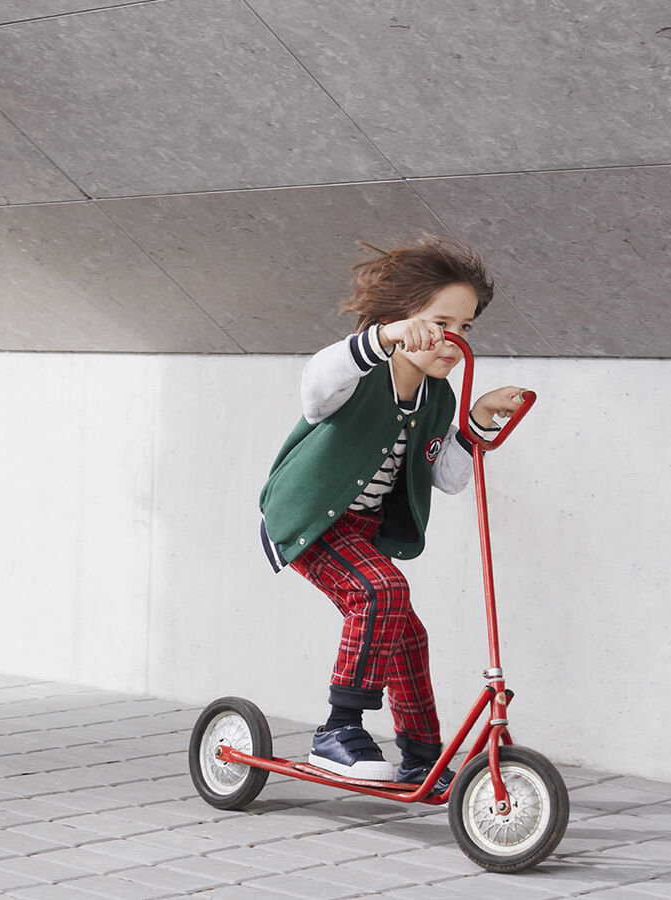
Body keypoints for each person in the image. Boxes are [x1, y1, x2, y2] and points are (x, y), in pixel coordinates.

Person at [259, 234, 525, 792]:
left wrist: (473, 423)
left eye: (467, 327)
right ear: (399, 322)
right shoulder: (354, 373)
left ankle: (423, 753)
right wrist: (384, 339)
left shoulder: (438, 397)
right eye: (440, 322)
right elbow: (315, 386)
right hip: (312, 522)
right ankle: (338, 729)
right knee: (381, 592)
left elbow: (448, 479)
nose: (454, 339)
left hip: (362, 532)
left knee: (408, 635)